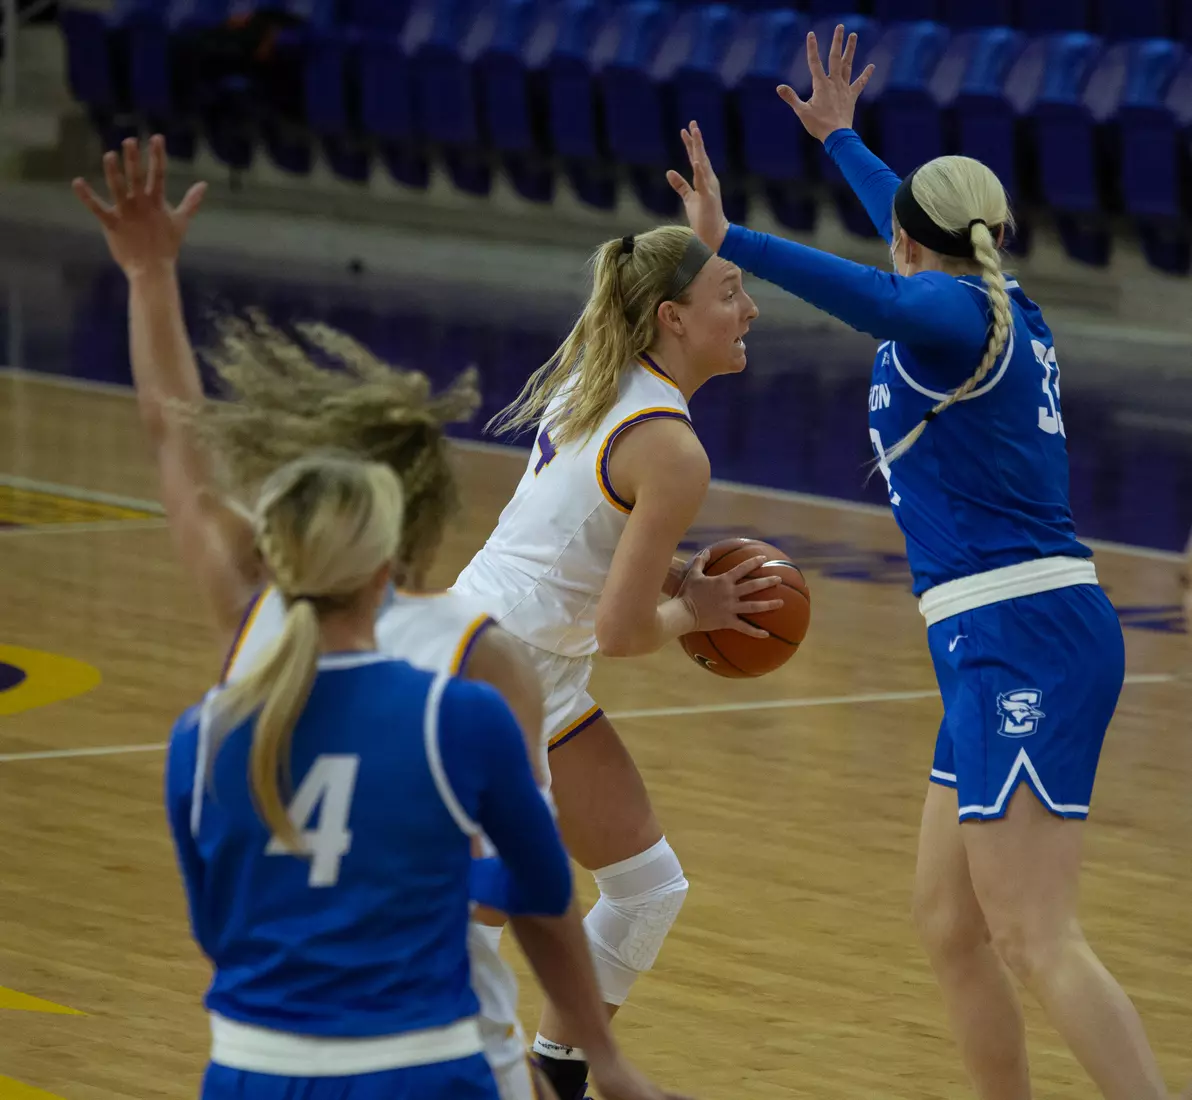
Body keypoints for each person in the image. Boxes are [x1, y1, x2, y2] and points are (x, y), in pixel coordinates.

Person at [73, 136, 689, 1100]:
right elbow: (533, 895)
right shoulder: (476, 679)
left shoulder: (229, 685)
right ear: (403, 543)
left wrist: (150, 276)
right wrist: (603, 1060)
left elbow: (176, 439)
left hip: (252, 1067)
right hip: (420, 1064)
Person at [667, 24, 1180, 1100]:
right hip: (996, 638)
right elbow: (911, 231)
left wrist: (733, 238)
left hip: (1021, 638)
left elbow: (889, 294)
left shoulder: (943, 309)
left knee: (1034, 933)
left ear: (912, 240)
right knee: (950, 922)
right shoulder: (993, 298)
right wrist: (846, 142)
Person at [452, 223, 781, 1099]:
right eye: (731, 293)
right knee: (470, 924)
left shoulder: (601, 366)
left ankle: (556, 1083)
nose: (750, 308)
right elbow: (628, 629)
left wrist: (706, 231)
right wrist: (697, 608)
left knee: (646, 889)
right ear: (672, 319)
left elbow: (583, 546)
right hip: (489, 672)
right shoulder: (672, 449)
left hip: (522, 658)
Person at [166, 452, 573, 1099]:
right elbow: (545, 890)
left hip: (249, 1068)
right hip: (417, 1065)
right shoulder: (459, 714)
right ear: (384, 573)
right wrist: (426, 875)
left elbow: (215, 931)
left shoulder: (201, 732)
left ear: (272, 566)